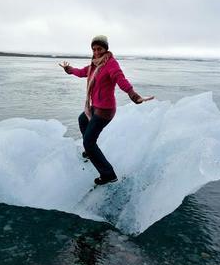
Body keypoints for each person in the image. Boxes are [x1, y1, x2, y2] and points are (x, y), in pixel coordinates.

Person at [59, 35, 154, 185]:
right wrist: (69, 69)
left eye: (100, 49)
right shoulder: (94, 65)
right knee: (82, 119)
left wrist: (134, 95)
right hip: (95, 106)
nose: (96, 52)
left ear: (105, 49)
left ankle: (108, 174)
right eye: (94, 49)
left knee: (89, 142)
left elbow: (120, 79)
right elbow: (82, 72)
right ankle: (90, 153)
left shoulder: (111, 64)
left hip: (105, 110)